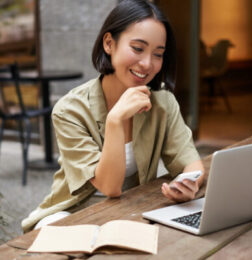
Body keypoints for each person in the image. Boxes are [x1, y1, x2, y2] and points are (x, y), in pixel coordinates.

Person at [21, 0, 205, 232]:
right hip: (72, 214)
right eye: (138, 49)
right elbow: (109, 186)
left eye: (158, 54)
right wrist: (115, 119)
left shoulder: (162, 103)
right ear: (109, 43)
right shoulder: (70, 109)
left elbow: (191, 162)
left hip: (130, 210)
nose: (147, 63)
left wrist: (188, 184)